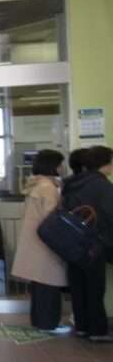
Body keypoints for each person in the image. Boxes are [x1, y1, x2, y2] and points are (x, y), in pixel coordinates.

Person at [11, 150, 71, 334]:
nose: (63, 167)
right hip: (46, 243)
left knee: (39, 285)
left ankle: (39, 321)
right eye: (61, 163)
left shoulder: (35, 185)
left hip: (34, 242)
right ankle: (49, 324)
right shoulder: (48, 188)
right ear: (54, 166)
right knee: (49, 284)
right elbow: (53, 217)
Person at [62, 146, 113, 342]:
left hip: (72, 241)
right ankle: (97, 330)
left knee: (78, 285)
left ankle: (82, 327)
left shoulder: (71, 183)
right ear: (104, 163)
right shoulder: (102, 185)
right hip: (95, 242)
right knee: (95, 287)